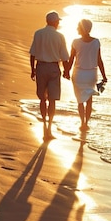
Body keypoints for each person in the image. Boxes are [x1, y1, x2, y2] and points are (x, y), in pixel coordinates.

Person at [29, 11, 70, 140]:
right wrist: (67, 71)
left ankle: (45, 125)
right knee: (52, 99)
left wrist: (32, 70)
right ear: (55, 22)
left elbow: (33, 54)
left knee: (42, 98)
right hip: (53, 68)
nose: (58, 23)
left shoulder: (38, 33)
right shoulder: (60, 36)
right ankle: (49, 128)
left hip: (40, 67)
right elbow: (64, 57)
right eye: (58, 21)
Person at [67, 19, 107, 131]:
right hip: (91, 74)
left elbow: (71, 59)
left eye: (78, 27)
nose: (76, 29)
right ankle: (86, 123)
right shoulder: (96, 42)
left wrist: (66, 71)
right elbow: (99, 60)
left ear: (82, 28)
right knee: (89, 100)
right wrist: (104, 76)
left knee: (80, 100)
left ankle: (82, 123)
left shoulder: (75, 42)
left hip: (78, 73)